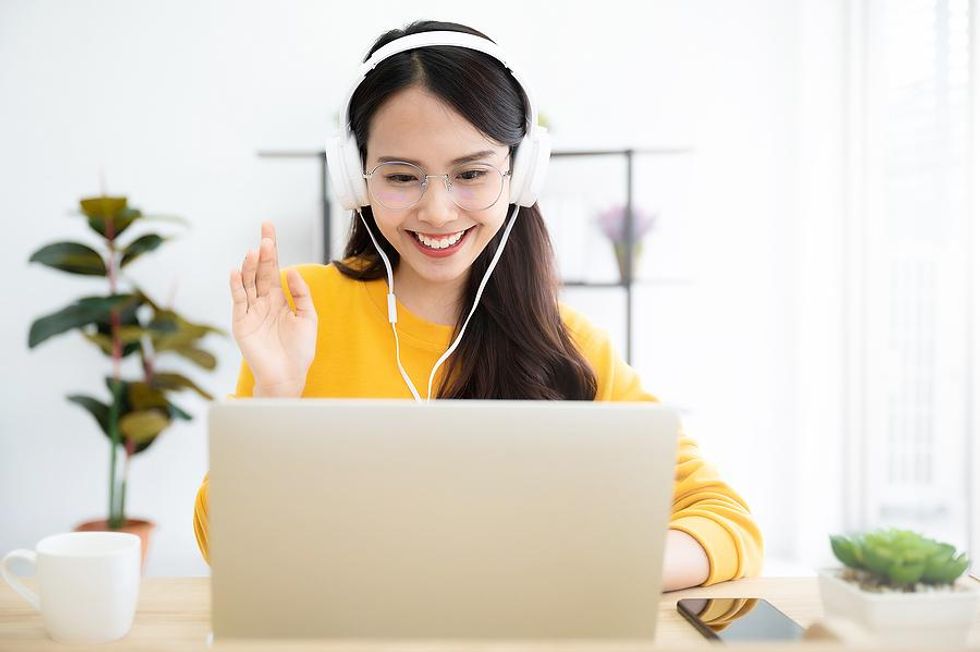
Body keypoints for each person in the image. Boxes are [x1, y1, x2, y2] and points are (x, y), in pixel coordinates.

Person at [193, 20, 763, 592]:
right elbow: (227, 549)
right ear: (355, 179)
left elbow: (724, 520)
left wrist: (582, 572)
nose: (438, 211)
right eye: (400, 175)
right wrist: (273, 399)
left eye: (470, 173)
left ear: (520, 176)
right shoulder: (303, 312)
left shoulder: (565, 344)